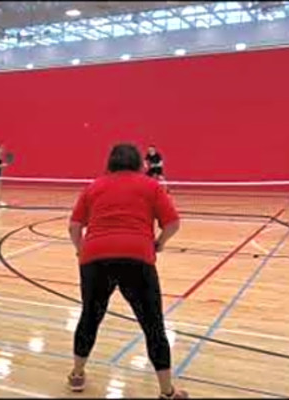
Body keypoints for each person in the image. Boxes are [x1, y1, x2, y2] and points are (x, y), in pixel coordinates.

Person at [67, 143, 187, 399]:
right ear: (137, 163)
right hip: (137, 257)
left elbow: (74, 226)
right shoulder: (151, 186)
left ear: (110, 162)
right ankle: (167, 391)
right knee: (153, 325)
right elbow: (173, 223)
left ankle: (77, 375)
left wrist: (81, 250)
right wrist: (159, 243)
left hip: (95, 258)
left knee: (90, 316)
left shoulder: (94, 186)